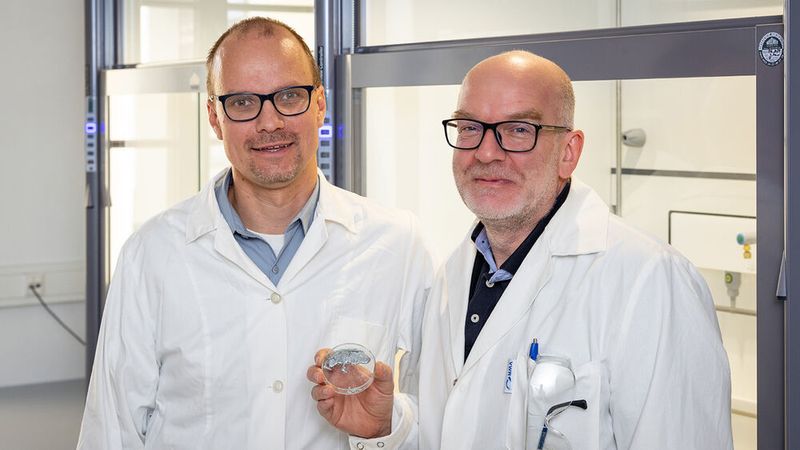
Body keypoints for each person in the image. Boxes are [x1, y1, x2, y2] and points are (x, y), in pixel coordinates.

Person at [309, 50, 733, 449]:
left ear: (569, 152)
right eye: (470, 128)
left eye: (518, 130)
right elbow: (454, 429)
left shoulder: (650, 281)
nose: (486, 152)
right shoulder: (453, 277)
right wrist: (390, 426)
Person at [77, 17, 433, 449]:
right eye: (244, 102)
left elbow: (435, 417)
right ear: (214, 116)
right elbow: (111, 431)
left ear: (320, 104)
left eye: (288, 96)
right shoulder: (151, 254)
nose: (270, 122)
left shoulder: (397, 244)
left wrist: (386, 427)